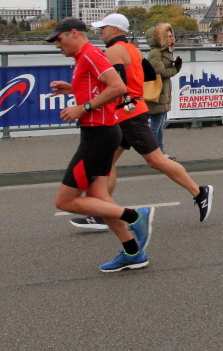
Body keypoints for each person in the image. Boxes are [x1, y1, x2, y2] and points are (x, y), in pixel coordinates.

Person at [69, 14, 213, 231]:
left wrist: (87, 102)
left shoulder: (113, 51)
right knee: (106, 163)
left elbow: (115, 85)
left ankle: (199, 191)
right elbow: (148, 74)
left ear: (115, 30)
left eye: (103, 28)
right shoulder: (133, 50)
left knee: (155, 160)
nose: (100, 32)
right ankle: (102, 212)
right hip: (130, 111)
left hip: (127, 115)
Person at [45, 17, 153, 273]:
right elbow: (97, 88)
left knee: (64, 201)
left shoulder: (91, 54)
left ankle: (135, 216)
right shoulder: (84, 57)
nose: (57, 45)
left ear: (73, 33)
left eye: (59, 39)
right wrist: (72, 89)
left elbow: (118, 87)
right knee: (99, 198)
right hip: (100, 133)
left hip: (98, 136)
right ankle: (132, 252)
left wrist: (82, 107)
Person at [144, 22, 182, 156]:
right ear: (161, 38)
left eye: (172, 36)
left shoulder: (165, 52)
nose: (172, 38)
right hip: (157, 92)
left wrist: (175, 66)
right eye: (168, 36)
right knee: (156, 125)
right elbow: (161, 73)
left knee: (159, 124)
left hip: (163, 91)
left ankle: (160, 151)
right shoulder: (156, 53)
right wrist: (176, 68)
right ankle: (155, 153)